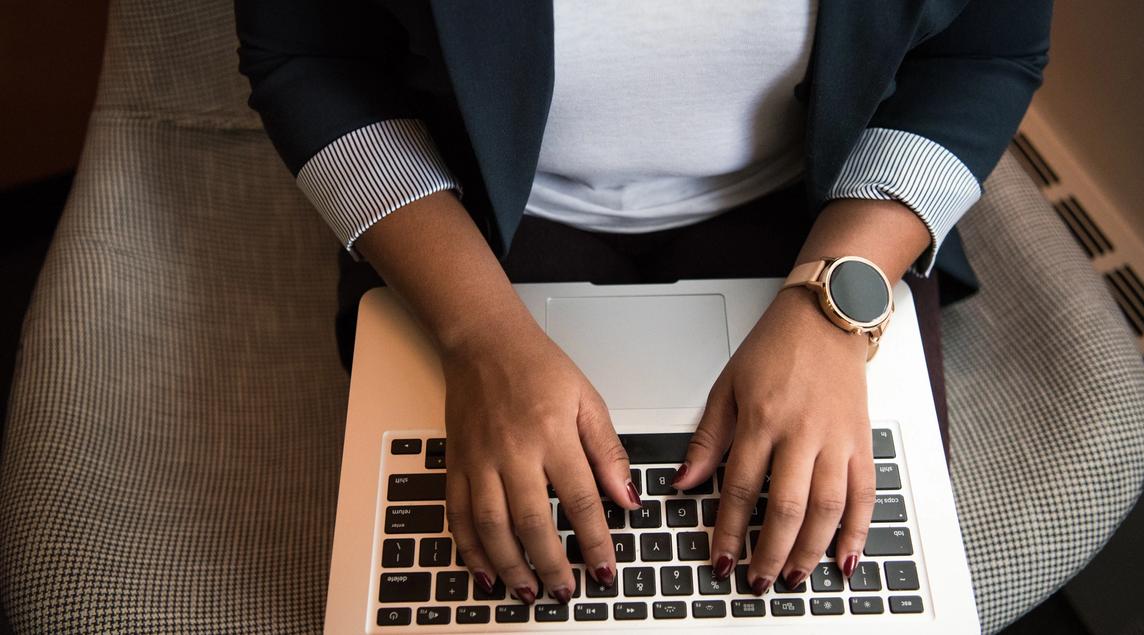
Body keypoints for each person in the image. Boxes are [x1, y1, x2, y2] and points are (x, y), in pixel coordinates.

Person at [236, 0, 1051, 605]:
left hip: (823, 197)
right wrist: (479, 331)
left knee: (831, 591)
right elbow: (306, 52)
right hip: (471, 206)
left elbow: (984, 54)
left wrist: (832, 306)